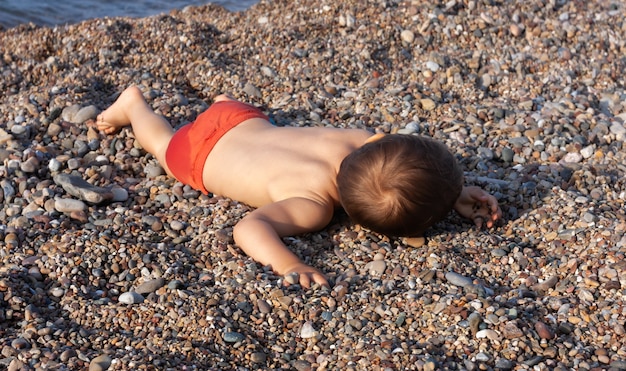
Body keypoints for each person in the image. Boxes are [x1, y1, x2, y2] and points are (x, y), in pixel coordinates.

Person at [96, 86, 502, 289]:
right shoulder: (314, 206)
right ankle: (134, 107)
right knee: (164, 147)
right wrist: (288, 264)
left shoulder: (356, 142)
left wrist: (455, 192)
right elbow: (249, 228)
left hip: (237, 117)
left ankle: (215, 102)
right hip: (199, 157)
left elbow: (398, 153)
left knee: (251, 125)